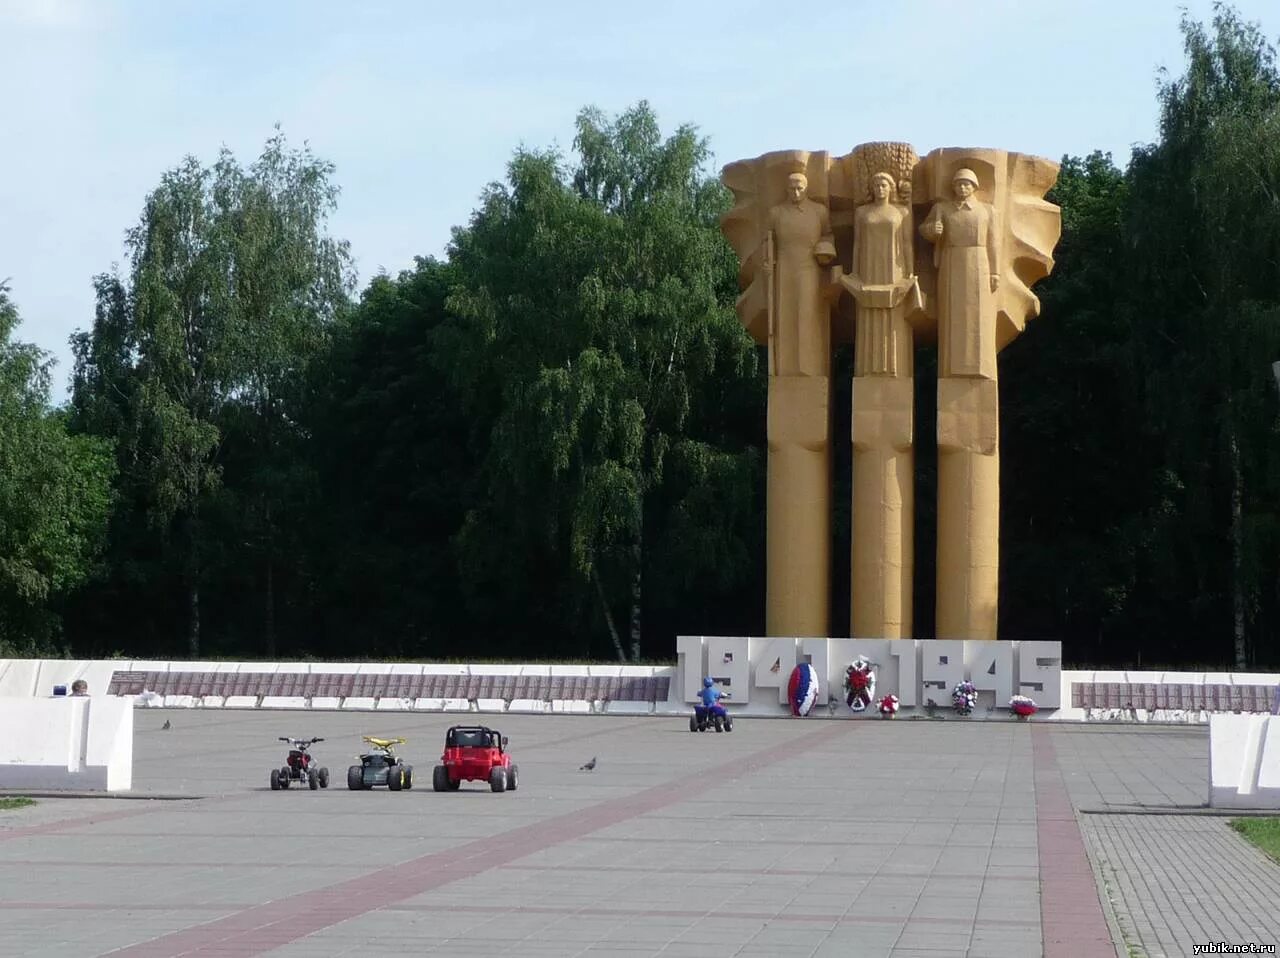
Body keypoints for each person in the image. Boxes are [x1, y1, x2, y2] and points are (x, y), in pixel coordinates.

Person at [919, 167, 999, 380]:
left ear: (974, 187)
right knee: (952, 311)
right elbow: (925, 228)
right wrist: (931, 231)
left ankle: (979, 364)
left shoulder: (987, 211)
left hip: (979, 262)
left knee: (978, 313)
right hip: (951, 261)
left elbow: (994, 243)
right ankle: (952, 364)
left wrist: (996, 272)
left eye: (966, 184)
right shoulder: (942, 208)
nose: (962, 187)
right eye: (958, 184)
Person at [765, 172, 836, 377]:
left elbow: (828, 235)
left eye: (800, 188)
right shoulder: (776, 213)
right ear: (786, 189)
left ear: (806, 188)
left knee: (807, 316)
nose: (795, 192)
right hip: (784, 268)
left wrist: (826, 248)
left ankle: (809, 367)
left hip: (809, 268)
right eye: (792, 188)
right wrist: (767, 263)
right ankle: (786, 369)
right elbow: (767, 242)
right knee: (785, 316)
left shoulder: (819, 211)